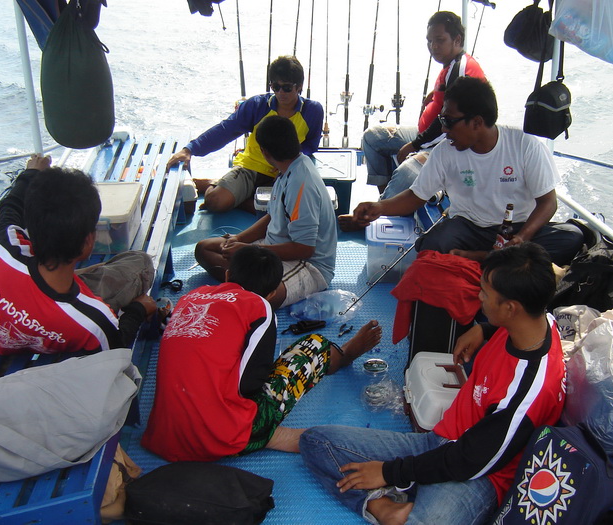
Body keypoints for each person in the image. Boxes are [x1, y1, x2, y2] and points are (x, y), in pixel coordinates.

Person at [299, 242, 566, 525]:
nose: (479, 297)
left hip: (477, 474)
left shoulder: (527, 392)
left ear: (511, 308)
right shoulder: (538, 320)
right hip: (438, 441)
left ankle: (401, 492)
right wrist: (483, 328)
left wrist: (391, 472)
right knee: (316, 442)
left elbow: (468, 461)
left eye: (485, 293)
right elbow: (508, 321)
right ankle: (380, 505)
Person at [141, 245, 382, 462]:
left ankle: (263, 435)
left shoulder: (189, 298)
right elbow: (250, 385)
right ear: (272, 294)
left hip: (164, 436)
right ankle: (346, 354)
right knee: (314, 345)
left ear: (227, 275)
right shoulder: (259, 307)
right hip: (216, 437)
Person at [350, 76, 584, 266]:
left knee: (571, 237)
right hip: (469, 228)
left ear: (477, 122)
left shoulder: (525, 146)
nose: (443, 129)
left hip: (517, 230)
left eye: (449, 121)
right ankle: (498, 261)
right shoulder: (445, 152)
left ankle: (486, 259)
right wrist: (380, 207)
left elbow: (548, 203)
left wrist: (522, 238)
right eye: (442, 119)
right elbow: (416, 196)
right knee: (429, 246)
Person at [0, 154, 157, 355]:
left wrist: (32, 172)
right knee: (140, 262)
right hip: (62, 320)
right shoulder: (93, 319)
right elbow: (117, 344)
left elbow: (11, 205)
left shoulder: (4, 242)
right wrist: (139, 309)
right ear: (88, 243)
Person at [338, 11, 485, 233]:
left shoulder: (461, 68)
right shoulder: (449, 66)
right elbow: (446, 98)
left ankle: (370, 217)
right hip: (426, 133)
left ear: (457, 40)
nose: (433, 46)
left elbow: (448, 124)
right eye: (430, 41)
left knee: (409, 170)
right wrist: (433, 96)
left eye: (440, 40)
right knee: (373, 137)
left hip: (444, 141)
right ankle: (386, 203)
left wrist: (415, 145)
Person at [194, 115, 337, 309]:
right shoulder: (287, 169)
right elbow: (272, 216)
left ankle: (242, 285)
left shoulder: (301, 184)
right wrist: (240, 240)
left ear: (264, 152)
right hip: (271, 247)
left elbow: (305, 249)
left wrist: (248, 250)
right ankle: (244, 284)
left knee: (262, 298)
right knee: (204, 249)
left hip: (308, 264)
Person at [166, 55, 324, 214]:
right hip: (250, 167)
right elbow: (225, 130)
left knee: (292, 211)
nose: (281, 92)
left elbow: (310, 146)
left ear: (299, 86)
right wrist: (190, 150)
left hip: (284, 171)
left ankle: (241, 196)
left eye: (287, 88)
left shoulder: (312, 111)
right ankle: (215, 186)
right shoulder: (257, 105)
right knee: (214, 202)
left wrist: (288, 166)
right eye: (275, 87)